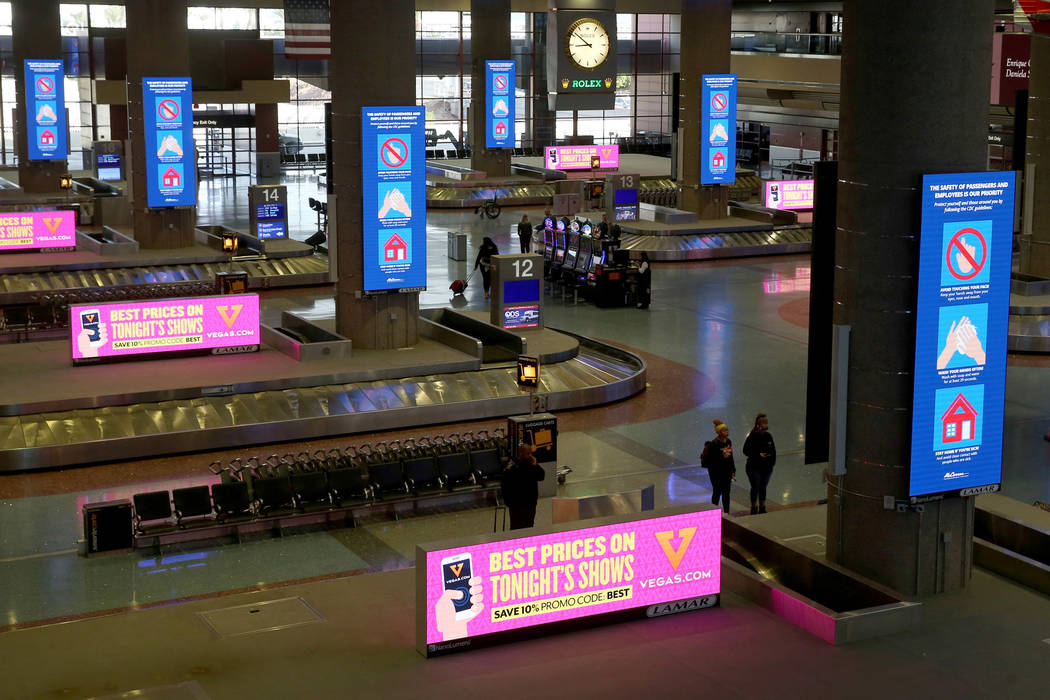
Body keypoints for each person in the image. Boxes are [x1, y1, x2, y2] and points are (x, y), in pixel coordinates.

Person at [500, 445, 545, 529]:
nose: (530, 456)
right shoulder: (512, 467)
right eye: (528, 453)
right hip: (516, 504)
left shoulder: (532, 466)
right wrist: (508, 502)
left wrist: (536, 465)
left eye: (531, 453)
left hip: (530, 503)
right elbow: (504, 485)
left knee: (529, 525)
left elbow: (541, 477)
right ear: (520, 453)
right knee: (516, 526)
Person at [743, 413, 777, 514]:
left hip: (767, 468)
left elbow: (773, 451)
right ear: (757, 424)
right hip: (753, 467)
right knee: (755, 486)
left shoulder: (768, 436)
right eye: (763, 422)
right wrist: (758, 455)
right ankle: (754, 507)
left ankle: (762, 507)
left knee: (763, 487)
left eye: (766, 422)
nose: (766, 424)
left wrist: (771, 464)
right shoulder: (752, 436)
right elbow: (745, 451)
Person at [701, 419, 735, 513]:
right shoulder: (713, 444)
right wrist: (722, 456)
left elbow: (730, 457)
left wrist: (733, 470)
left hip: (727, 471)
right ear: (719, 432)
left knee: (726, 493)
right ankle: (713, 512)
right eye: (724, 430)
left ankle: (727, 513)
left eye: (727, 430)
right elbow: (711, 460)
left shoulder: (728, 442)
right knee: (717, 492)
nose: (727, 432)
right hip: (716, 473)